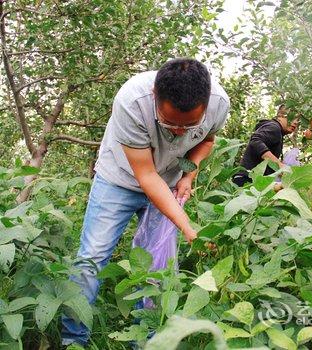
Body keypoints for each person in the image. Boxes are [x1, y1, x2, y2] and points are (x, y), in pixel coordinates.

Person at [61, 58, 230, 347]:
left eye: (188, 125)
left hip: (170, 181)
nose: (178, 131)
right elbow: (147, 176)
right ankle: (74, 341)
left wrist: (190, 172)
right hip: (120, 179)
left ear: (205, 105)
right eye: (169, 123)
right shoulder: (131, 100)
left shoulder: (219, 103)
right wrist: (188, 229)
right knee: (91, 259)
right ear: (155, 97)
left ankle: (147, 342)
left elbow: (207, 141)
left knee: (160, 266)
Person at [233, 105, 299, 187]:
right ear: (280, 116)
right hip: (247, 180)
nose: (296, 122)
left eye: (297, 120)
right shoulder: (274, 127)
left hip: (247, 179)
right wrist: (278, 164)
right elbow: (256, 141)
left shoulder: (275, 130)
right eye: (292, 118)